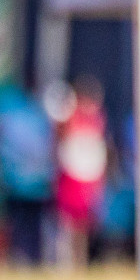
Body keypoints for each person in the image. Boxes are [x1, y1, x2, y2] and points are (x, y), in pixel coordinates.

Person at [0, 83, 54, 265]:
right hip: (30, 183)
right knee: (27, 226)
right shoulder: (36, 115)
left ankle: (23, 258)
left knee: (21, 226)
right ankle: (27, 258)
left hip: (21, 183)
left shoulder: (12, 113)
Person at [51, 76, 107, 268]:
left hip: (88, 178)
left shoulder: (97, 119)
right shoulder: (70, 116)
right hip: (71, 176)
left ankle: (80, 262)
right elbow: (61, 138)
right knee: (66, 222)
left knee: (84, 224)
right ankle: (63, 263)